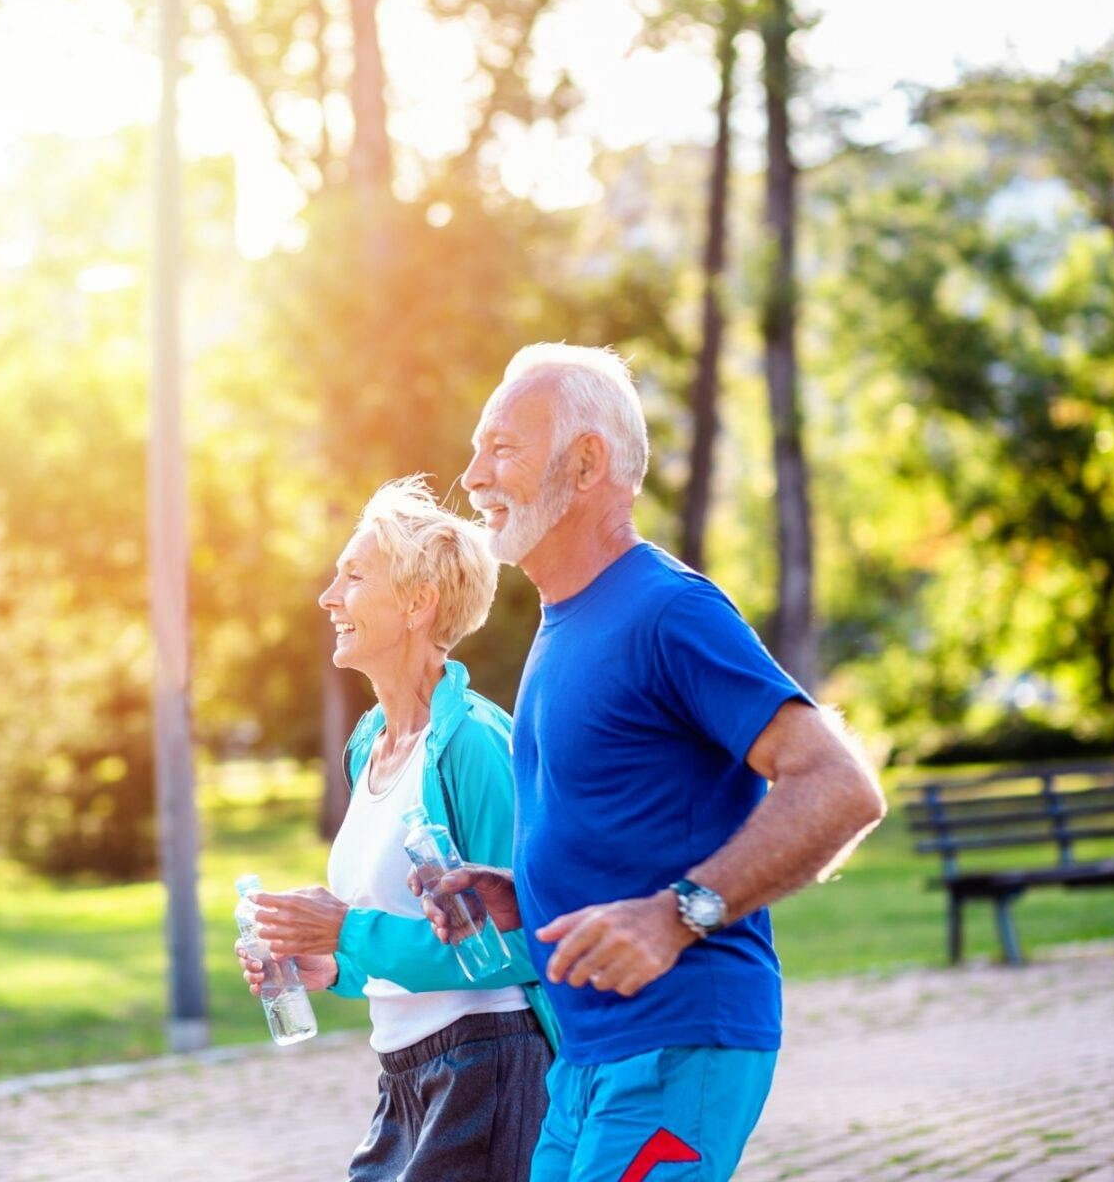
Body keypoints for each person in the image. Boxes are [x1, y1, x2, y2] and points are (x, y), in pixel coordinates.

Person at [418, 343, 887, 1182]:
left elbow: (840, 785)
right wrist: (516, 893)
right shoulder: (563, 625)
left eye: (503, 448)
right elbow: (634, 827)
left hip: (676, 1044)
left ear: (586, 461)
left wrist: (677, 915)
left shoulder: (668, 609)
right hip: (587, 1059)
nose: (474, 474)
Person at [236, 476, 560, 1182]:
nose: (328, 597)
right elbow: (403, 936)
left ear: (418, 603)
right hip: (405, 1075)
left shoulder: (474, 745)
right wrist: (332, 966)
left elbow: (525, 944)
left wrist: (345, 931)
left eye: (353, 577)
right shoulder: (369, 743)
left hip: (490, 1064)